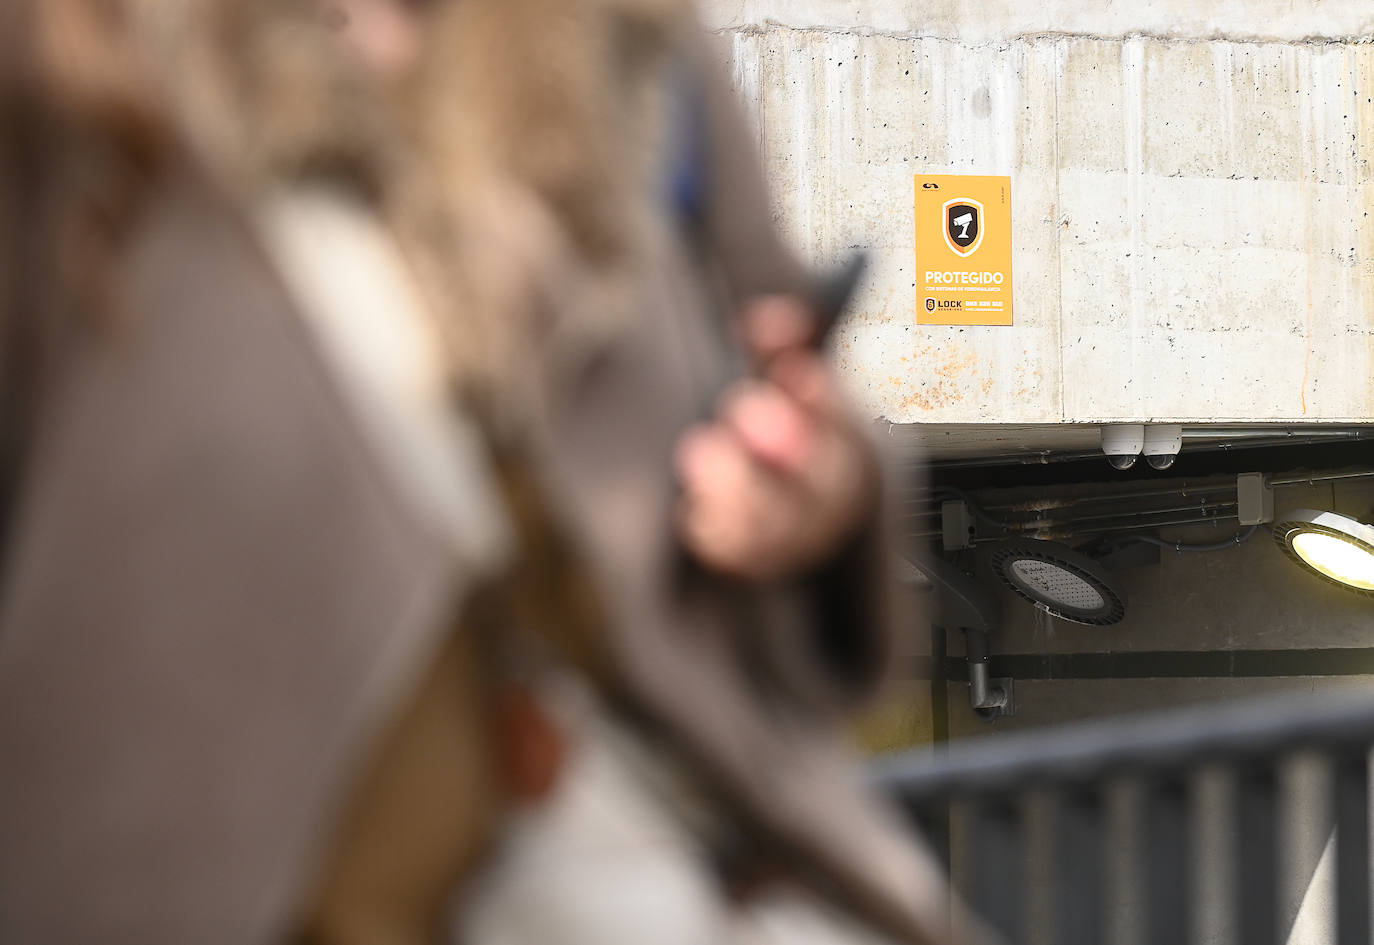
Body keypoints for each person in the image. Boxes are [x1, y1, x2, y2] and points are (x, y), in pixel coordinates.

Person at [0, 1, 983, 943]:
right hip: (222, 867)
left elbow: (783, 346)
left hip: (649, 851)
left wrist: (818, 480)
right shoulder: (72, 45)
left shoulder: (637, 31)